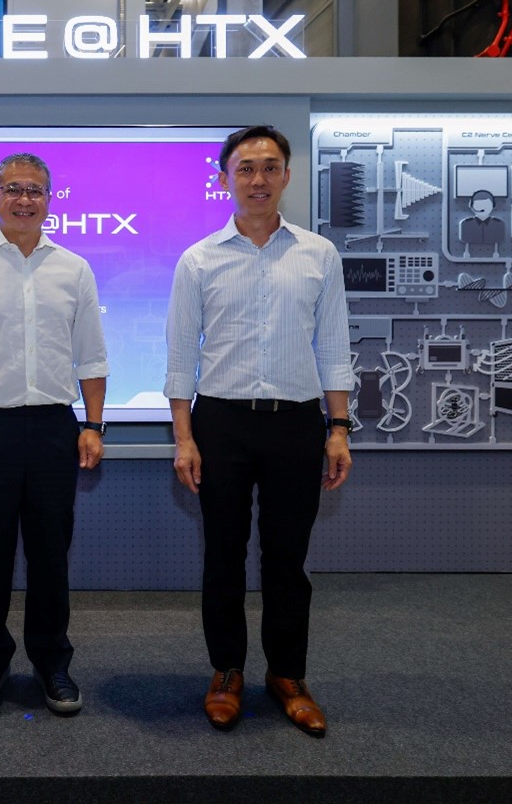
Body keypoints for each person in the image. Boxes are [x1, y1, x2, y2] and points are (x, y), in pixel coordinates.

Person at [165, 125, 355, 738]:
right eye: (245, 168)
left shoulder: (318, 255)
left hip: (296, 423)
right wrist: (184, 438)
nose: (258, 179)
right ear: (225, 179)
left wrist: (338, 428)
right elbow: (179, 358)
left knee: (287, 559)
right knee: (222, 556)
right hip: (220, 422)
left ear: (287, 177)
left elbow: (334, 348)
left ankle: (287, 675)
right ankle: (226, 672)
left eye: (270, 167)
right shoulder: (198, 259)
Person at [0, 152, 109, 717]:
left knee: (51, 554)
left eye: (34, 190)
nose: (24, 199)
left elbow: (92, 356)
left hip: (56, 428)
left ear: (49, 200)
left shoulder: (74, 269)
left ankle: (52, 663)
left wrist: (93, 424)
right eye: (13, 189)